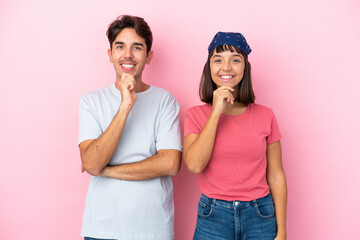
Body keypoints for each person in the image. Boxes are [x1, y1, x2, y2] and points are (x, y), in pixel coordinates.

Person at [78, 15, 182, 240]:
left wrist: (108, 170)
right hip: (102, 228)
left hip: (153, 228)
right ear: (110, 55)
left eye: (137, 47)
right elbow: (93, 163)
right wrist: (125, 105)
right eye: (120, 47)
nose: (127, 55)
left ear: (148, 56)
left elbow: (171, 163)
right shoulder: (91, 101)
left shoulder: (165, 100)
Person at [183, 32, 287, 240]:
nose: (227, 67)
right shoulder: (195, 114)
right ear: (209, 67)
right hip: (213, 216)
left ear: (245, 68)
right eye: (218, 60)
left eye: (235, 60)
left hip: (260, 214)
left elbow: (276, 175)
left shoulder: (265, 115)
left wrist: (282, 231)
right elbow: (194, 165)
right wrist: (215, 113)